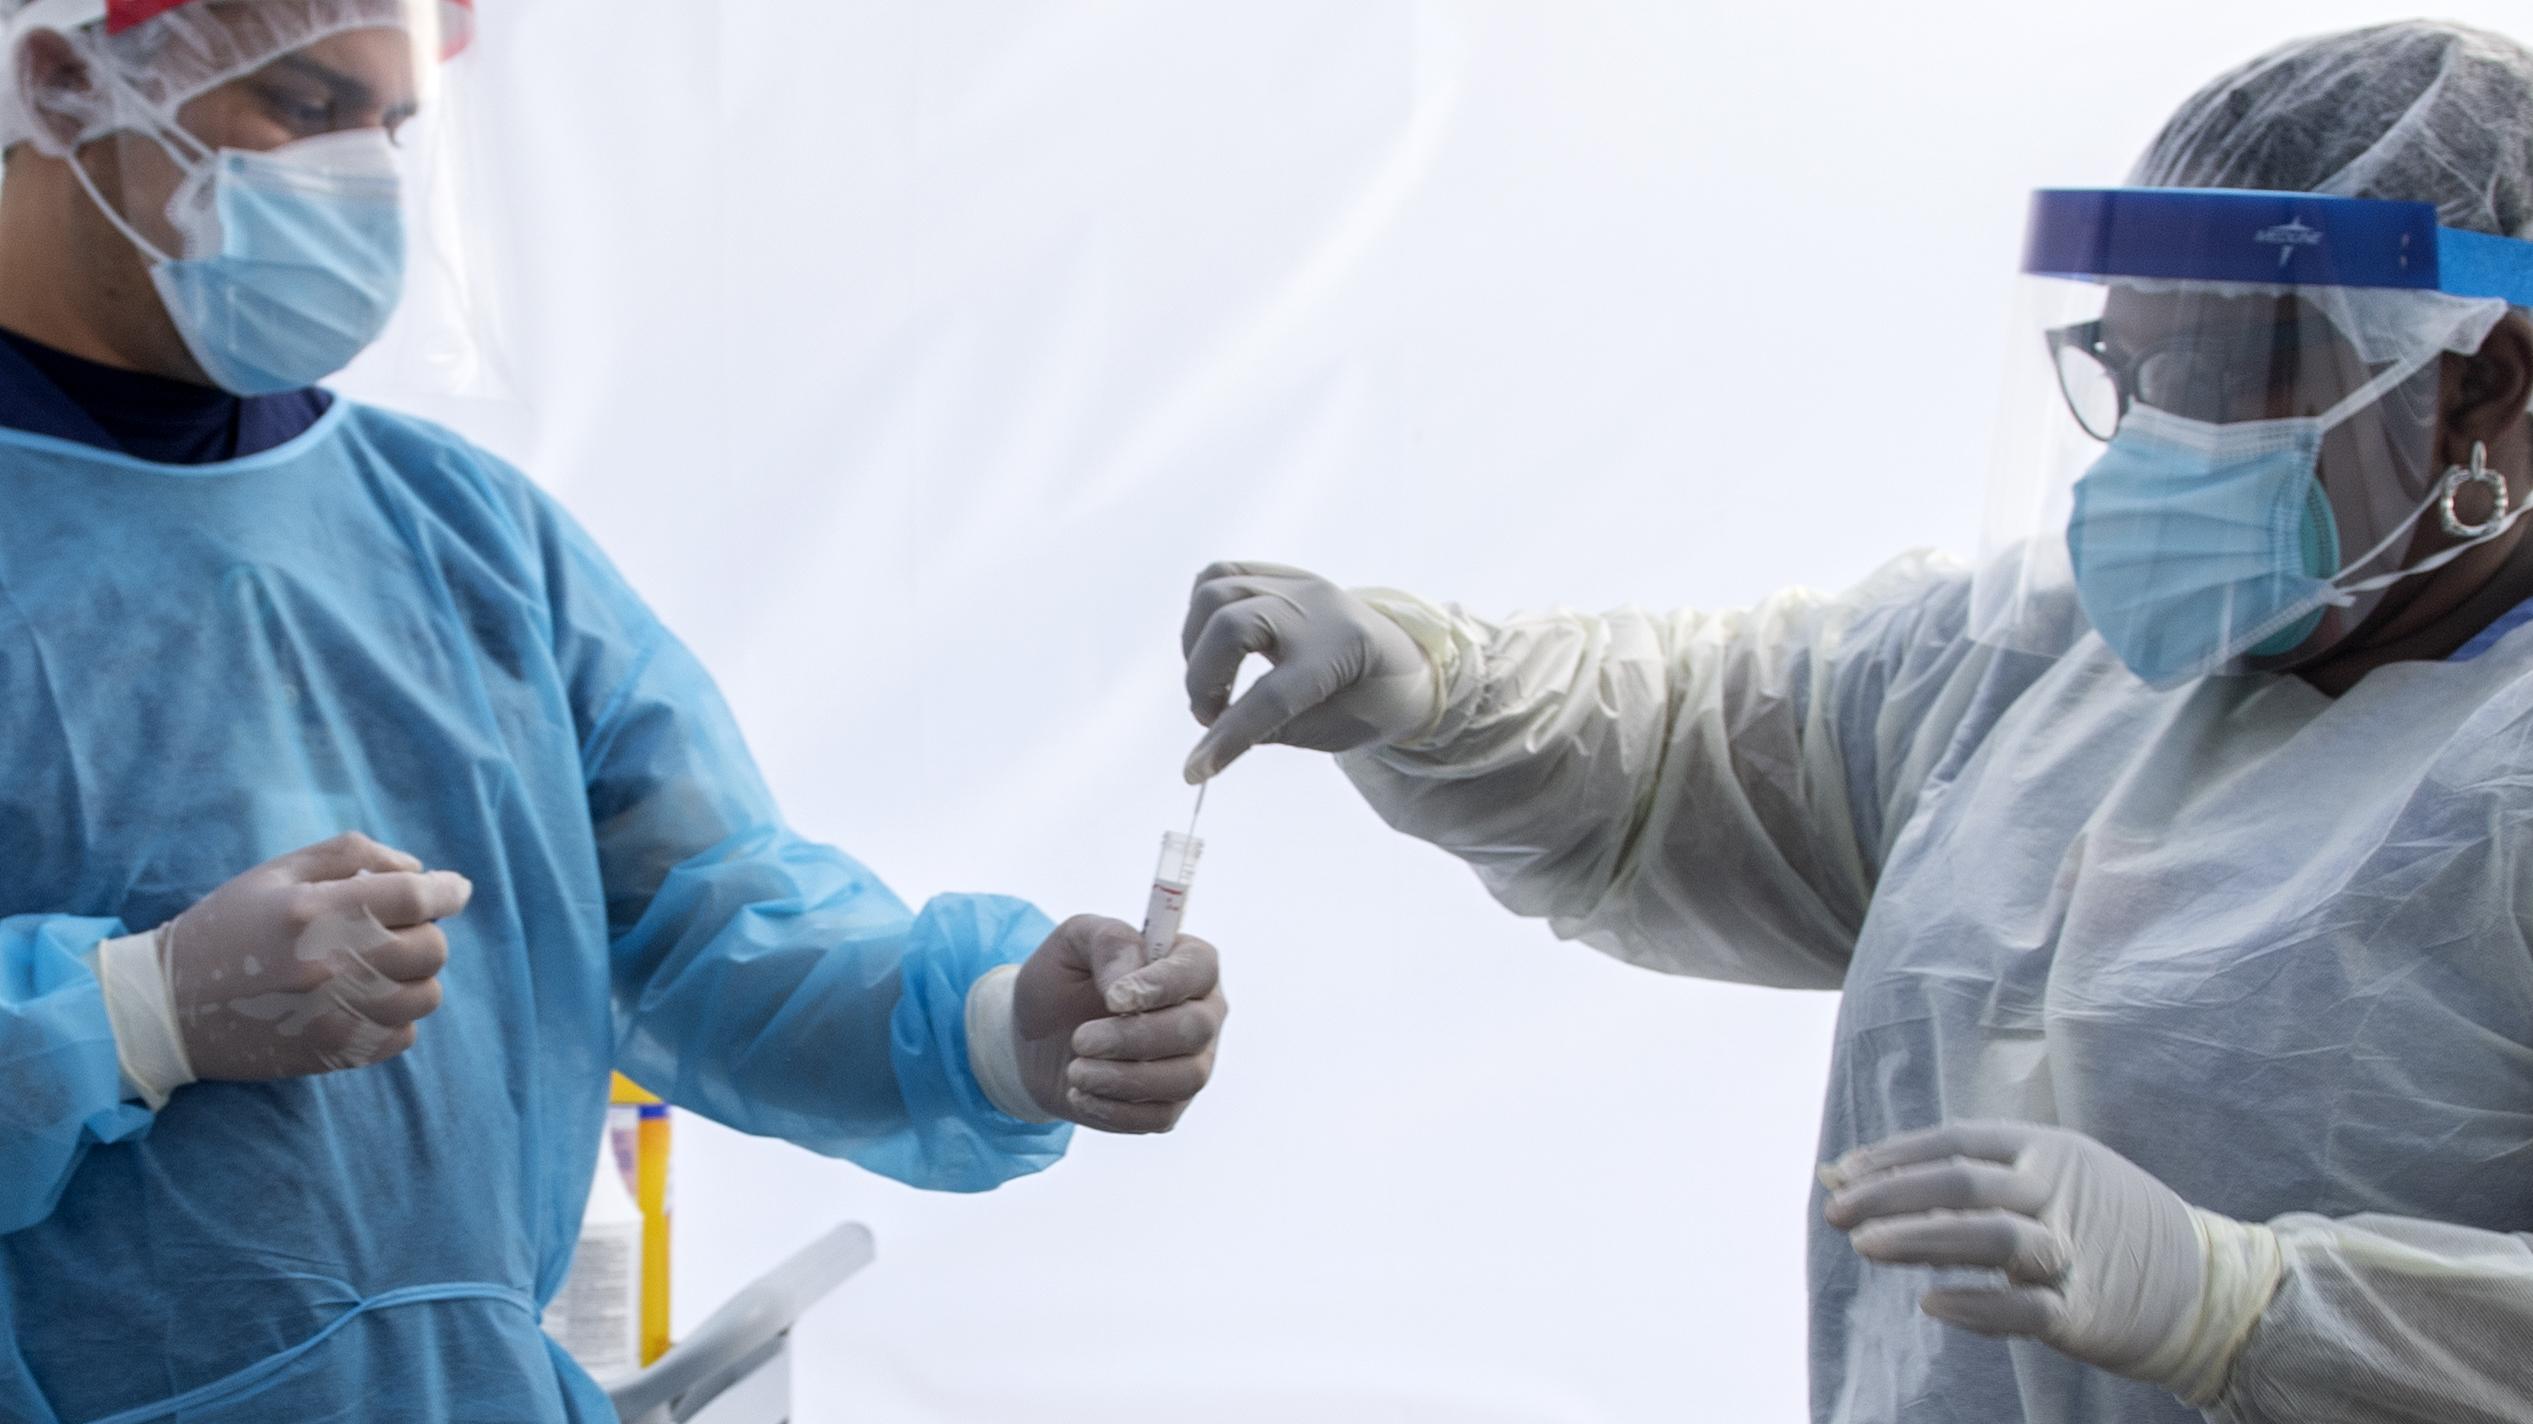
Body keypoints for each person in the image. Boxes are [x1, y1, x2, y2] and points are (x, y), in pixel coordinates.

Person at [1178, 20, 2533, 1424]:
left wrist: (2241, 1308)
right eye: (2125, 378)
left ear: (2480, 382)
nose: (2147, 449)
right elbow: (1707, 750)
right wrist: (1436, 688)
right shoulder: (2060, 669)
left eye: (2210, 378)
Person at [0, 2, 1228, 1420]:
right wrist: (131, 1018)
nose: (359, 177)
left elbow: (704, 914)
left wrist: (1002, 1026)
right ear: (60, 78)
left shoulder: (458, 534)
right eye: (304, 103)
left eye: (391, 124)